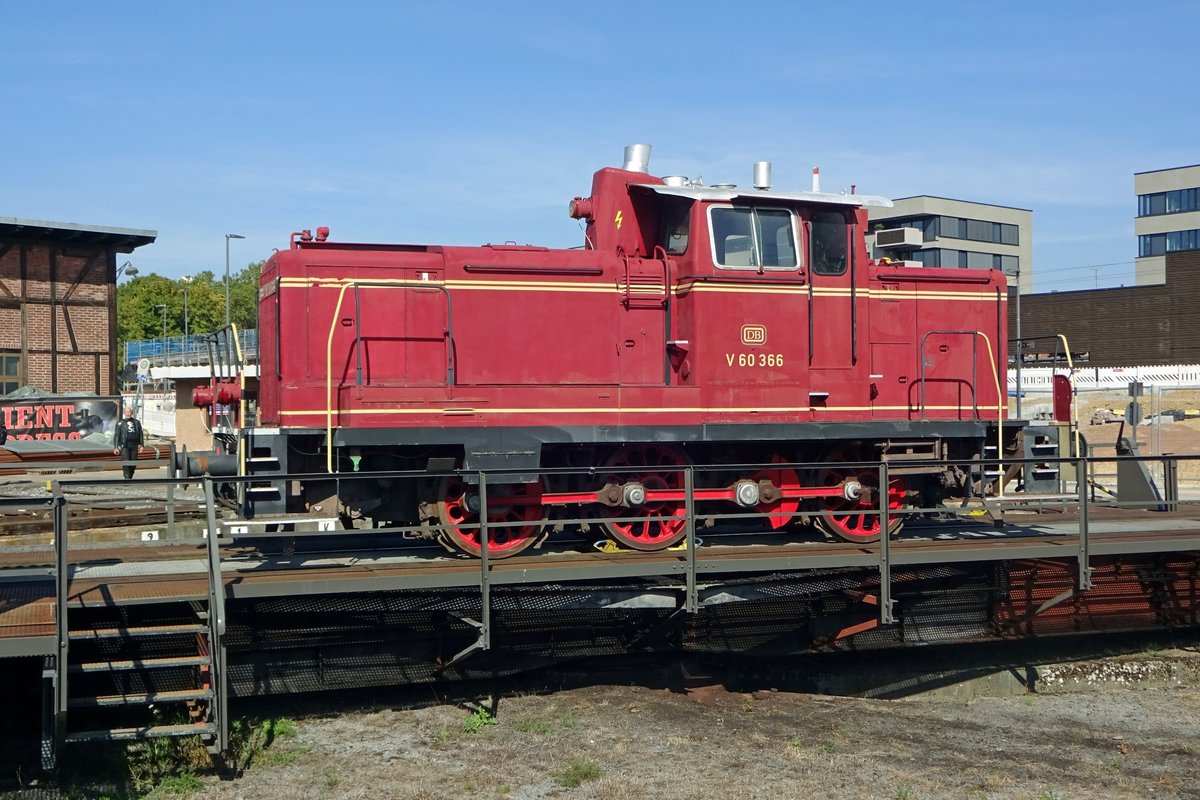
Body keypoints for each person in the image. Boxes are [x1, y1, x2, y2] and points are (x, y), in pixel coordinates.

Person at [113, 406, 144, 479]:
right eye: (126, 412)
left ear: (131, 413)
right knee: (126, 462)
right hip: (124, 445)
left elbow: (140, 434)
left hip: (134, 445)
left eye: (129, 412)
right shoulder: (120, 423)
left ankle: (130, 477)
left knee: (133, 462)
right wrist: (116, 447)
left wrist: (141, 445)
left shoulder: (136, 422)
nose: (128, 414)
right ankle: (127, 478)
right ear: (124, 413)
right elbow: (116, 435)